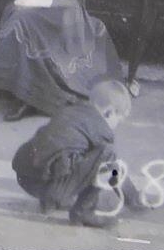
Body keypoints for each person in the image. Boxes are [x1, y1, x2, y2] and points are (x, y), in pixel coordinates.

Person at [11, 78, 134, 228]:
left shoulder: (71, 109)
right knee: (108, 155)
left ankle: (49, 200)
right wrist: (132, 196)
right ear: (109, 113)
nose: (116, 126)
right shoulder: (102, 129)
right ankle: (83, 212)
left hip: (25, 178)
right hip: (49, 186)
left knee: (62, 149)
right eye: (118, 120)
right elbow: (113, 168)